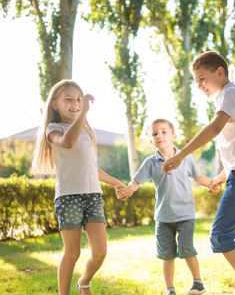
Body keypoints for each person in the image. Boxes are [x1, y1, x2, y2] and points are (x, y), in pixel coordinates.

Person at [161, 51, 235, 295]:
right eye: (196, 81)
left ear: (219, 72)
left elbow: (214, 128)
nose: (199, 85)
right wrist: (221, 176)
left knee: (220, 235)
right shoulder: (232, 97)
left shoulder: (229, 94)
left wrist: (181, 155)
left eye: (202, 78)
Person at [32, 79, 125, 295]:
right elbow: (67, 142)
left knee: (100, 251)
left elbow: (92, 167)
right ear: (55, 104)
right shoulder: (53, 129)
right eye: (69, 100)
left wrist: (116, 183)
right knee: (72, 253)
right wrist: (84, 112)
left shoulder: (85, 132)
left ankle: (84, 282)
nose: (75, 104)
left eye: (77, 100)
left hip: (93, 196)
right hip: (68, 197)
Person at [117, 118, 216, 295]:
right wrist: (128, 190)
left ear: (174, 136)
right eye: (154, 133)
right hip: (163, 217)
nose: (159, 135)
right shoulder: (150, 162)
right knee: (166, 255)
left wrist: (210, 183)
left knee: (187, 249)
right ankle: (170, 289)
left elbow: (198, 177)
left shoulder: (185, 157)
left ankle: (198, 283)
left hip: (185, 214)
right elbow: (136, 181)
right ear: (151, 140)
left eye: (164, 131)